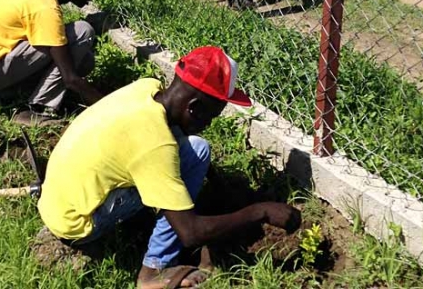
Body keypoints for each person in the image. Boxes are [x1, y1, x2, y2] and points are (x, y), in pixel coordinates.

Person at [37, 46, 302, 289]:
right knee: (185, 175)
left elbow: (175, 138)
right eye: (212, 115)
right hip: (76, 222)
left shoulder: (147, 89)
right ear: (194, 108)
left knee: (197, 149)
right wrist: (260, 211)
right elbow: (191, 233)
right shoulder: (155, 146)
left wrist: (220, 186)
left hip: (59, 196)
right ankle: (154, 271)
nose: (210, 124)